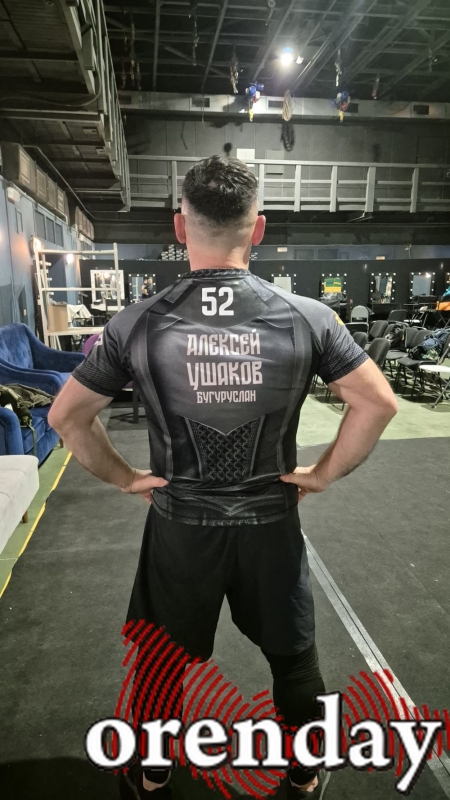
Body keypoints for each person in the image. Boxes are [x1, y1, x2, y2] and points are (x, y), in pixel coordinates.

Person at [48, 156, 397, 798]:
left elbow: (66, 417)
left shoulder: (135, 322)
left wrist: (126, 478)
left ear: (180, 227)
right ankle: (305, 770)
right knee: (293, 657)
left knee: (160, 661)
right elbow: (377, 404)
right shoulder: (310, 316)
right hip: (271, 523)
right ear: (257, 228)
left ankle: (153, 768)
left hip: (181, 526)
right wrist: (320, 475)